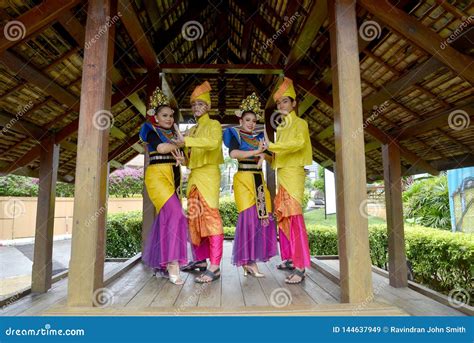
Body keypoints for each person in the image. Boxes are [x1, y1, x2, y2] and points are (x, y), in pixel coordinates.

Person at [173, 81, 225, 283]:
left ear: (208, 107)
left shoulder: (214, 125)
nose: (196, 108)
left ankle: (215, 265)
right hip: (194, 176)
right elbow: (191, 157)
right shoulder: (192, 130)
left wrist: (187, 141)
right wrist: (183, 159)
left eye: (200, 104)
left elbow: (212, 144)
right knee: (194, 219)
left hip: (209, 175)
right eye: (194, 105)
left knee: (211, 216)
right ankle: (201, 260)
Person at [223, 93, 277, 277]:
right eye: (248, 119)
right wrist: (256, 151)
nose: (251, 123)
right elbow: (233, 154)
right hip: (243, 179)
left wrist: (263, 155)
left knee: (262, 217)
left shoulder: (260, 137)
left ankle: (250, 261)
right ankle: (249, 261)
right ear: (241, 119)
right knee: (248, 217)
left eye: (254, 120)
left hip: (258, 180)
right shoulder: (234, 133)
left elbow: (270, 155)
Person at [265, 77, 313, 284]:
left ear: (294, 104)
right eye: (279, 102)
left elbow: (298, 144)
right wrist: (264, 152)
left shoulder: (300, 123)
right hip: (283, 175)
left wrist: (272, 146)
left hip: (293, 176)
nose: (281, 105)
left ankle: (301, 267)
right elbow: (278, 154)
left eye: (285, 101)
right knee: (283, 217)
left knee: (294, 219)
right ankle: (291, 259)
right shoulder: (281, 127)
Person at [139, 87, 188, 285]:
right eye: (165, 115)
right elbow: (161, 148)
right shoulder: (150, 130)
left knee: (167, 218)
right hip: (157, 177)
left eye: (171, 116)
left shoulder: (173, 134)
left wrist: (182, 157)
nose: (168, 118)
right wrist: (181, 142)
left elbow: (184, 159)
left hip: (174, 177)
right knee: (176, 214)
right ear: (156, 117)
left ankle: (162, 262)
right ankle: (172, 263)